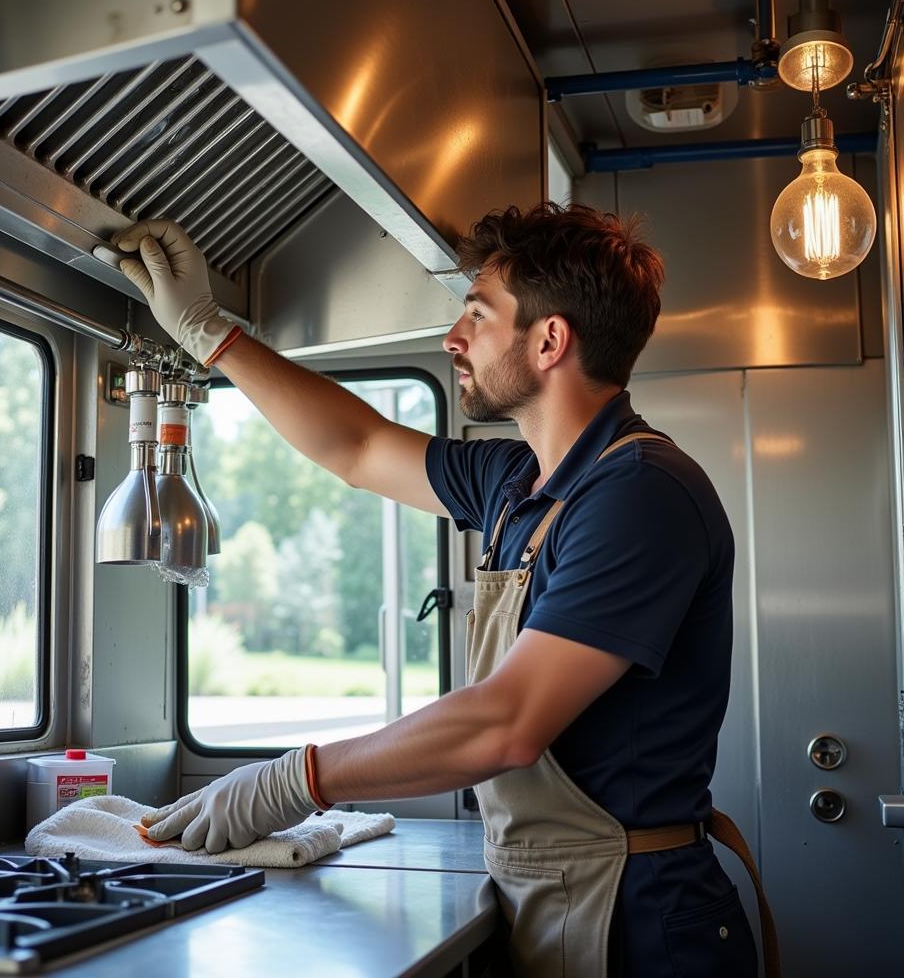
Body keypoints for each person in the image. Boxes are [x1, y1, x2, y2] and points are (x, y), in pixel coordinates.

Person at [112, 203, 772, 977]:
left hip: (640, 917)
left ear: (550, 340)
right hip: (554, 892)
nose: (453, 340)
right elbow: (356, 446)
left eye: (477, 317)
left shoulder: (639, 494)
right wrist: (209, 332)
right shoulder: (518, 480)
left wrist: (298, 779)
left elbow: (507, 723)